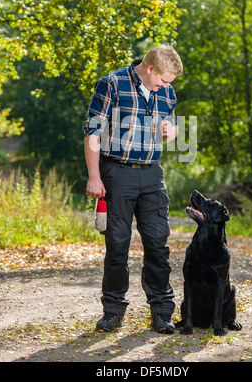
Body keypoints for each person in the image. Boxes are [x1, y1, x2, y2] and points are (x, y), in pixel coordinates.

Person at [83, 44, 183, 333]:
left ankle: (162, 312)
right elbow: (93, 131)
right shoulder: (112, 83)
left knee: (157, 245)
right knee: (117, 246)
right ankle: (113, 311)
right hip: (116, 173)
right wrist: (94, 176)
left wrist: (172, 131)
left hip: (152, 175)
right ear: (150, 68)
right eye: (164, 80)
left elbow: (172, 126)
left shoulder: (167, 91)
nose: (166, 86)